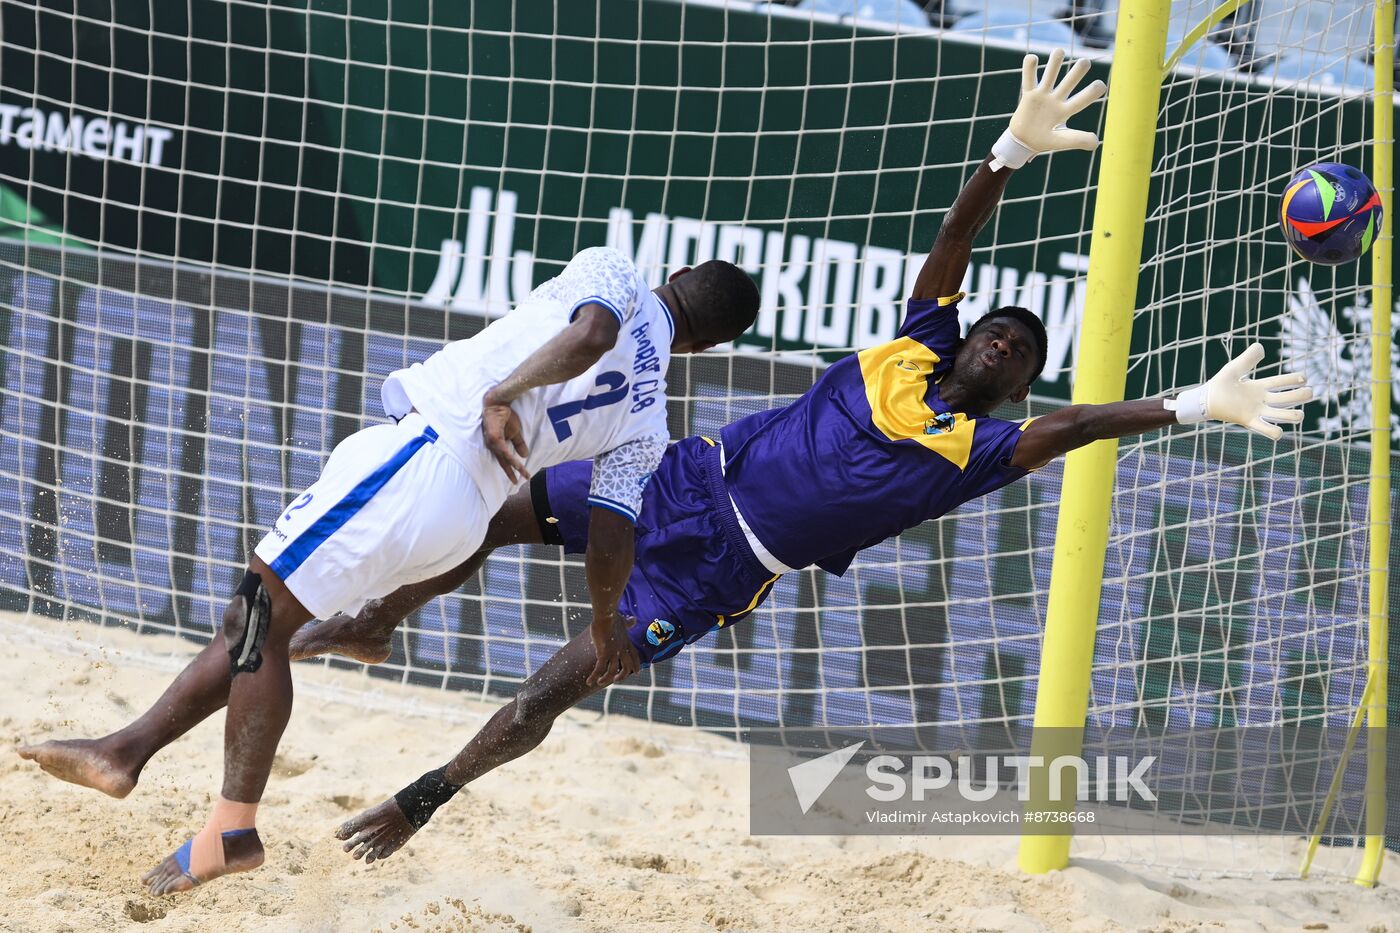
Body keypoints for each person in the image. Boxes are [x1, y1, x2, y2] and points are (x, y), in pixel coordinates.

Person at [288, 49, 1311, 864]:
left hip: (722, 568)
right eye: (995, 326)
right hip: (681, 477)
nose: (1003, 339)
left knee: (563, 681)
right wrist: (1006, 150)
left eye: (1023, 349)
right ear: (960, 334)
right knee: (491, 503)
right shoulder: (911, 344)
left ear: (1016, 385)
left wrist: (1185, 405)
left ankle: (424, 796)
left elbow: (1078, 426)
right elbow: (955, 234)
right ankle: (378, 617)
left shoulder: (984, 446)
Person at [17, 246, 760, 896]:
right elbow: (611, 534)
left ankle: (231, 830)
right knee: (260, 622)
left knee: (256, 620)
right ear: (703, 348)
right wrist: (604, 624)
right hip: (463, 515)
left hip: (425, 459)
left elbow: (593, 331)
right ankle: (127, 751)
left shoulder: (616, 274)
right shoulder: (650, 418)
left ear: (680, 275)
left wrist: (499, 394)